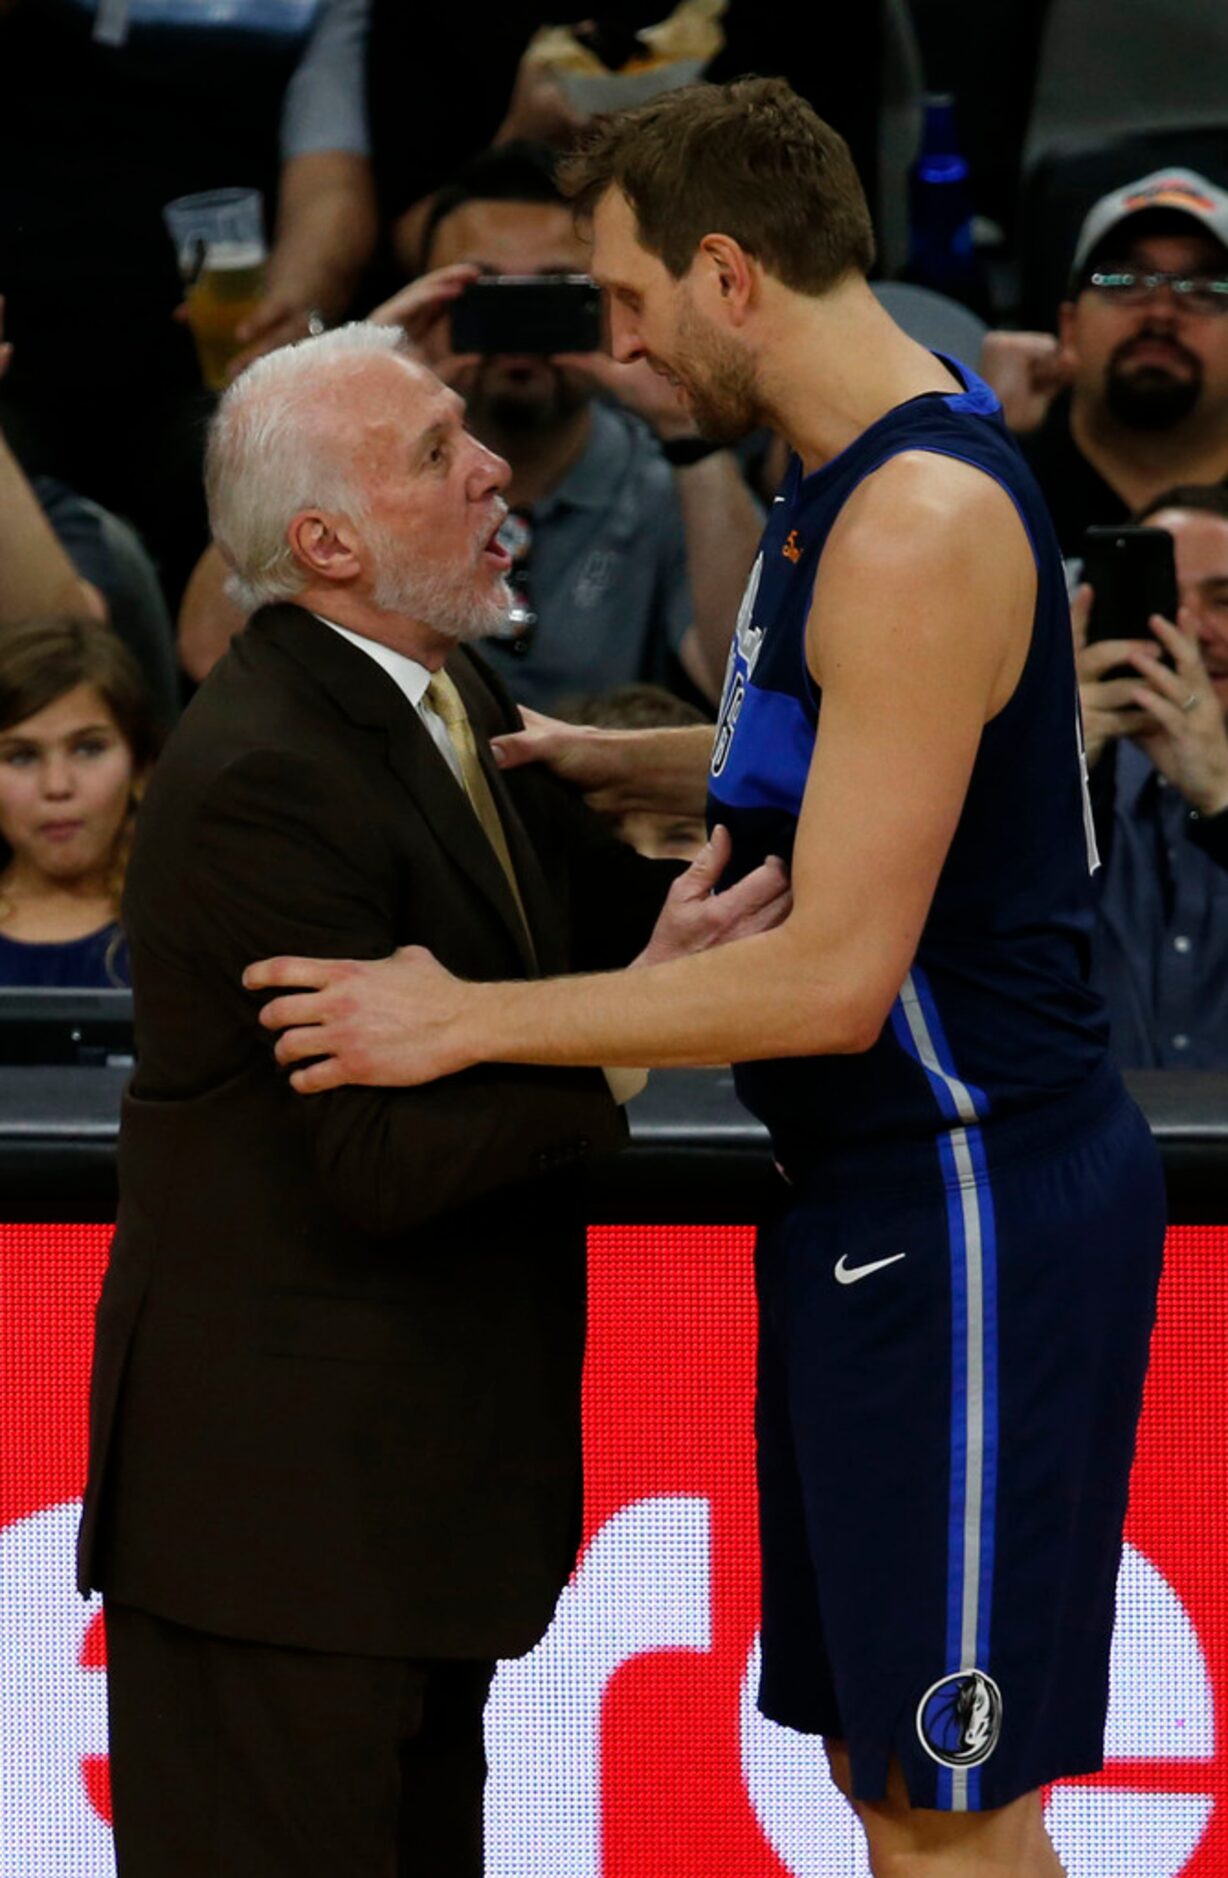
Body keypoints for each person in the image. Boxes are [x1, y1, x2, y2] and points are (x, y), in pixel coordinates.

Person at [248, 79, 1167, 1878]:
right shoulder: (842, 471)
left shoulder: (909, 525)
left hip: (969, 1193)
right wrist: (653, 765)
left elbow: (831, 978)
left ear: (729, 276)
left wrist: (462, 1017)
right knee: (887, 1776)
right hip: (880, 1196)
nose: (611, 345)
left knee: (946, 1809)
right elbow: (908, 769)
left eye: (628, 302)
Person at [77, 319, 787, 1876]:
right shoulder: (269, 772)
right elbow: (380, 1158)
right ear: (326, 542)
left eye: (468, 430)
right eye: (433, 453)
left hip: (404, 1521)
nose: (490, 468)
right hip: (281, 1537)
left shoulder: (437, 694)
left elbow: (621, 917)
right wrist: (626, 1031)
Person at [179, 141, 764, 710]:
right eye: (484, 296)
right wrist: (360, 368)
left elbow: (740, 687)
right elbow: (211, 651)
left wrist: (686, 438)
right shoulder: (356, 488)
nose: (519, 331)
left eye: (550, 295)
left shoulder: (662, 484)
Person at [0, 0, 376, 607]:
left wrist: (296, 302)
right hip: (19, 334)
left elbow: (329, 181)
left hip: (197, 355)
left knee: (261, 482)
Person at [979, 169, 1228, 553]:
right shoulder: (1000, 481)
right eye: (1122, 281)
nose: (1161, 313)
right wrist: (980, 447)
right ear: (1069, 327)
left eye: (1207, 290)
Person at [1075, 481, 1228, 1066]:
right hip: (1090, 1140)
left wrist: (1219, 799)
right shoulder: (1048, 769)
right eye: (1162, 599)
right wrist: (1057, 778)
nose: (1187, 634)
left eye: (1224, 601)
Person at [0, 618, 160, 987]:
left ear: (138, 766)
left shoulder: (193, 929)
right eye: (22, 756)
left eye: (88, 748)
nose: (57, 786)